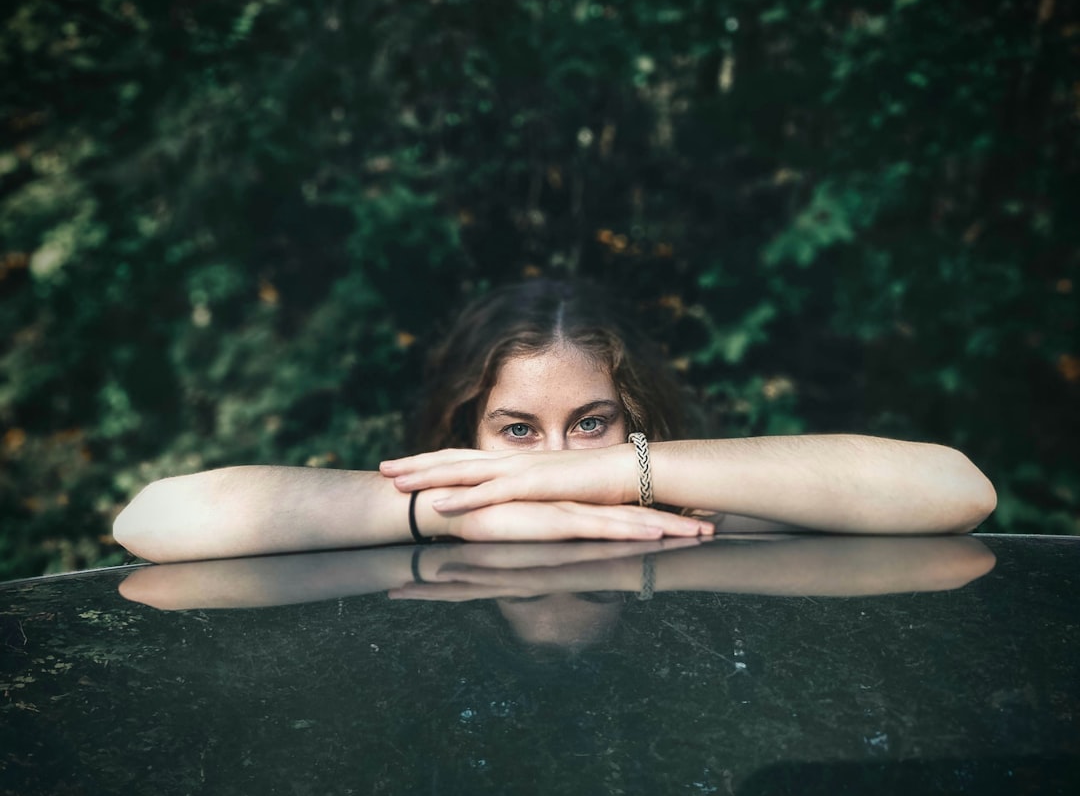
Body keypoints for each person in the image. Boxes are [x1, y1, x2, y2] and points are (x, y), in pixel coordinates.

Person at [113, 279, 997, 564]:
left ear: (636, 417)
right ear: (467, 431)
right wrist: (453, 511)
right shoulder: (430, 523)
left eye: (592, 422)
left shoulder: (676, 517)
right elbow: (147, 520)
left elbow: (960, 489)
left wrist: (617, 475)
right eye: (519, 430)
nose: (558, 457)